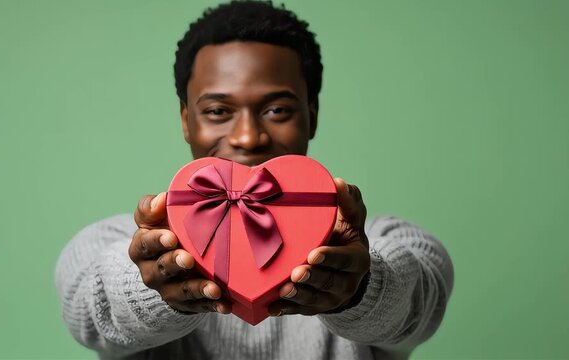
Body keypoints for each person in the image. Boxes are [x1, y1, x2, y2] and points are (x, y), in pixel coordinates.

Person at [54, 1, 454, 359]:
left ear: (311, 116)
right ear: (185, 121)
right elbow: (87, 301)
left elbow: (421, 295)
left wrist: (361, 286)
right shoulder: (123, 241)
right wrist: (150, 286)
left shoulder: (375, 239)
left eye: (277, 109)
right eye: (217, 111)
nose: (247, 137)